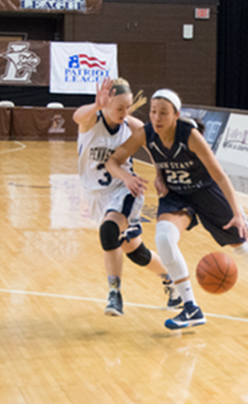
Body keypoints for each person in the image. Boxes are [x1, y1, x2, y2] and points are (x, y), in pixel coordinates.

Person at [106, 88, 248, 330]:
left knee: (243, 247)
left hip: (206, 192)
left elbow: (220, 176)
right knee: (164, 238)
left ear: (176, 115)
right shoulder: (146, 133)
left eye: (163, 113)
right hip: (176, 195)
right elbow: (112, 160)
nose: (156, 118)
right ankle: (191, 308)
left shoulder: (190, 136)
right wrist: (129, 177)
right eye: (153, 112)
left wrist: (237, 212)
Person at [73, 77, 182, 317]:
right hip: (96, 196)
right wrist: (95, 105)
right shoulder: (92, 120)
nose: (124, 112)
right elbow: (77, 116)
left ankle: (114, 294)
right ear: (107, 104)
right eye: (119, 108)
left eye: (128, 107)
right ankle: (171, 280)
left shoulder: (132, 126)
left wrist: (159, 173)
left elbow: (154, 148)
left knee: (109, 231)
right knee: (135, 251)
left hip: (126, 189)